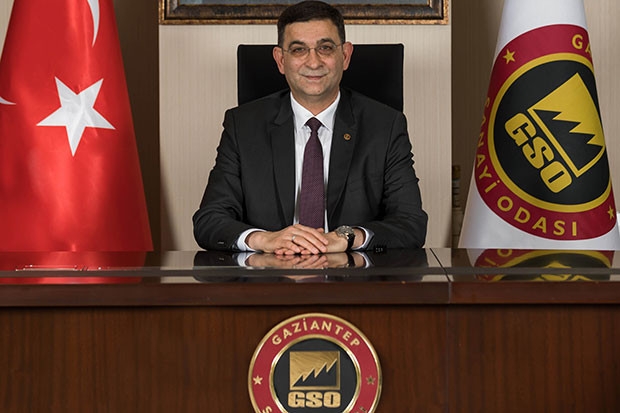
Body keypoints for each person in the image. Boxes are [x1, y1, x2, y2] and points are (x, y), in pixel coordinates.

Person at [193, 0, 427, 254]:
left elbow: (411, 223)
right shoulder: (243, 126)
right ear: (280, 60)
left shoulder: (385, 126)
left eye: (325, 48)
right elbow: (209, 220)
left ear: (345, 55)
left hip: (352, 273)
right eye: (298, 50)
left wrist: (347, 237)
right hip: (268, 273)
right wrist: (264, 240)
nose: (313, 62)